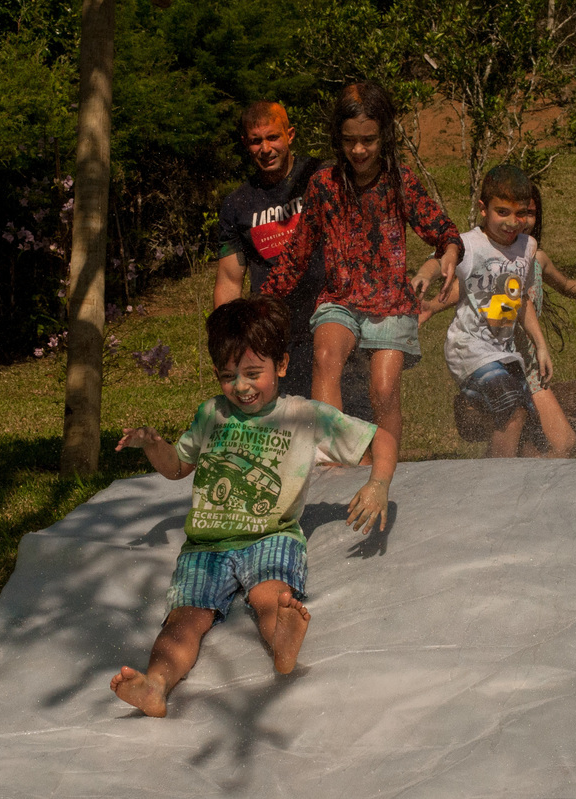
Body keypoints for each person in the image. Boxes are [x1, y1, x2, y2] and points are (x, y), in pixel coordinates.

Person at [111, 296, 397, 718]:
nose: (241, 387)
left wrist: (378, 483)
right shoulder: (212, 414)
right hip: (206, 545)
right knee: (183, 621)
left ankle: (283, 642)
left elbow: (380, 438)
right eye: (228, 377)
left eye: (252, 373)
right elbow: (177, 468)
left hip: (271, 536)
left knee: (271, 598)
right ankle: (156, 684)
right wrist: (154, 445)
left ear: (281, 365)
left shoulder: (303, 416)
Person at [260, 82, 463, 461]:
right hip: (340, 300)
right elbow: (296, 254)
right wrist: (260, 302)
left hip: (390, 303)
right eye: (349, 140)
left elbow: (442, 230)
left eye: (368, 140)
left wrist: (450, 251)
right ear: (338, 138)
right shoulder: (324, 186)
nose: (358, 150)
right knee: (325, 357)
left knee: (383, 391)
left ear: (384, 136)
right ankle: (335, 461)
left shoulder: (399, 181)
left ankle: (384, 469)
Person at [421, 183, 576, 457]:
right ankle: (496, 475)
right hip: (493, 358)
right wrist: (431, 307)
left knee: (557, 443)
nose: (522, 220)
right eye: (515, 212)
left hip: (526, 364)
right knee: (520, 426)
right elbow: (466, 288)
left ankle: (512, 477)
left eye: (529, 213)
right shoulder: (489, 254)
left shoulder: (534, 257)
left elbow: (565, 285)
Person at [215, 100, 371, 417]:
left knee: (352, 424)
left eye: (273, 137)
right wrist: (227, 341)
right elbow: (229, 282)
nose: (265, 149)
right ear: (245, 143)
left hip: (336, 321)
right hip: (276, 336)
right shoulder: (237, 204)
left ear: (290, 135)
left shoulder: (324, 176)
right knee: (292, 428)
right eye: (256, 141)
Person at [442, 164, 551, 458]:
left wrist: (541, 346)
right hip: (469, 350)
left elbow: (521, 300)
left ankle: (502, 479)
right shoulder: (470, 244)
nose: (512, 222)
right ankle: (495, 483)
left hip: (505, 355)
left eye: (521, 213)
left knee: (534, 438)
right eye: (502, 212)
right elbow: (441, 261)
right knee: (512, 412)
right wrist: (424, 277)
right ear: (483, 209)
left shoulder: (526, 247)